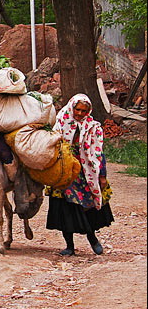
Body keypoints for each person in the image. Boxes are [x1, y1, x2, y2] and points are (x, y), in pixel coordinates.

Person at [46, 93, 114, 256]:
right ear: (72, 107)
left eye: (84, 111)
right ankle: (69, 246)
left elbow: (98, 152)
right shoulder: (61, 122)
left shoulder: (93, 127)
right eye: (78, 110)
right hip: (64, 173)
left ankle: (93, 239)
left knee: (85, 208)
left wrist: (102, 175)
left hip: (85, 173)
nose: (80, 114)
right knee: (65, 209)